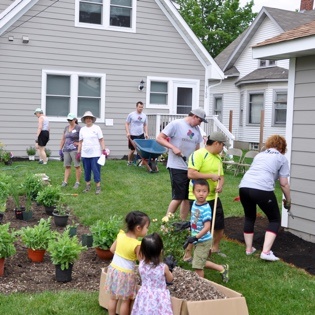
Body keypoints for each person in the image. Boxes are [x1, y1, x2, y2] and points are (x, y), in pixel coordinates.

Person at [239, 134, 291, 261]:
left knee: (250, 216)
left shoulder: (260, 155)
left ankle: (249, 249)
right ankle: (266, 252)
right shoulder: (282, 158)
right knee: (274, 220)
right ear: (282, 147)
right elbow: (284, 184)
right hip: (262, 189)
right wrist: (289, 200)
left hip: (244, 187)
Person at [156, 108, 206, 220]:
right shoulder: (176, 124)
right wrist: (173, 147)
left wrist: (197, 163)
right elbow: (159, 138)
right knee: (178, 197)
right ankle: (166, 222)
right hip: (176, 166)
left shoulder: (197, 130)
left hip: (190, 167)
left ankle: (182, 222)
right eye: (200, 120)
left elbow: (197, 148)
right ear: (194, 116)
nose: (200, 123)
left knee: (187, 197)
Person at [185, 132, 227, 261]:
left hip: (213, 197)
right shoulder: (198, 155)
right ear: (216, 143)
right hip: (198, 198)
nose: (223, 148)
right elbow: (191, 174)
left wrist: (220, 184)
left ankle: (214, 247)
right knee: (196, 226)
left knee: (219, 225)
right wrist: (210, 175)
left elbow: (221, 176)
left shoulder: (218, 158)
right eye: (222, 145)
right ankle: (187, 253)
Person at [105, 211, 150, 315]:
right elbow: (142, 262)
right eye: (146, 227)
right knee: (125, 300)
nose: (147, 230)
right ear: (138, 228)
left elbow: (112, 249)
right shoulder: (137, 244)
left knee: (113, 298)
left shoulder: (120, 235)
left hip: (113, 270)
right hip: (126, 275)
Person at [183, 179, 229, 282]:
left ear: (208, 193)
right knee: (199, 261)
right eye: (198, 191)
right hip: (197, 239)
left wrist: (195, 237)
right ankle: (222, 268)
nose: (201, 194)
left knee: (197, 266)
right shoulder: (195, 203)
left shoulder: (206, 209)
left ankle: (200, 284)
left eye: (204, 191)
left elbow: (207, 227)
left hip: (203, 240)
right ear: (193, 192)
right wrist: (187, 224)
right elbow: (195, 219)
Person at [131, 233, 173, 315]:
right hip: (159, 297)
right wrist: (169, 272)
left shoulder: (141, 264)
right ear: (161, 251)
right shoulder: (163, 267)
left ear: (142, 251)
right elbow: (170, 279)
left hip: (144, 295)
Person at [77, 111, 107, 195]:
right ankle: (88, 186)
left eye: (90, 118)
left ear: (92, 119)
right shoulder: (82, 129)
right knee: (87, 170)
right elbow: (80, 142)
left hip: (95, 154)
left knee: (96, 170)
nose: (88, 119)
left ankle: (98, 187)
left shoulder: (97, 128)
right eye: (87, 118)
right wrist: (78, 152)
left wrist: (103, 150)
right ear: (84, 120)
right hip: (85, 154)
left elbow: (101, 139)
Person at [59, 113, 82, 189]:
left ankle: (77, 182)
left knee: (77, 166)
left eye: (71, 120)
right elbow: (63, 139)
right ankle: (65, 181)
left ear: (75, 120)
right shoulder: (66, 128)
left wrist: (78, 144)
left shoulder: (79, 128)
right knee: (67, 166)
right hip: (66, 149)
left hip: (75, 150)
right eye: (68, 120)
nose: (69, 121)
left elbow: (83, 139)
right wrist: (60, 149)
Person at [125, 101, 148, 166]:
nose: (141, 108)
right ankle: (129, 161)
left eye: (142, 107)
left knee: (141, 150)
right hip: (132, 135)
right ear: (136, 107)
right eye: (139, 107)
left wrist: (146, 133)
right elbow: (126, 124)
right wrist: (128, 132)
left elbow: (145, 125)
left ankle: (139, 162)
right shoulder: (131, 115)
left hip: (141, 135)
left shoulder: (144, 116)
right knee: (132, 150)